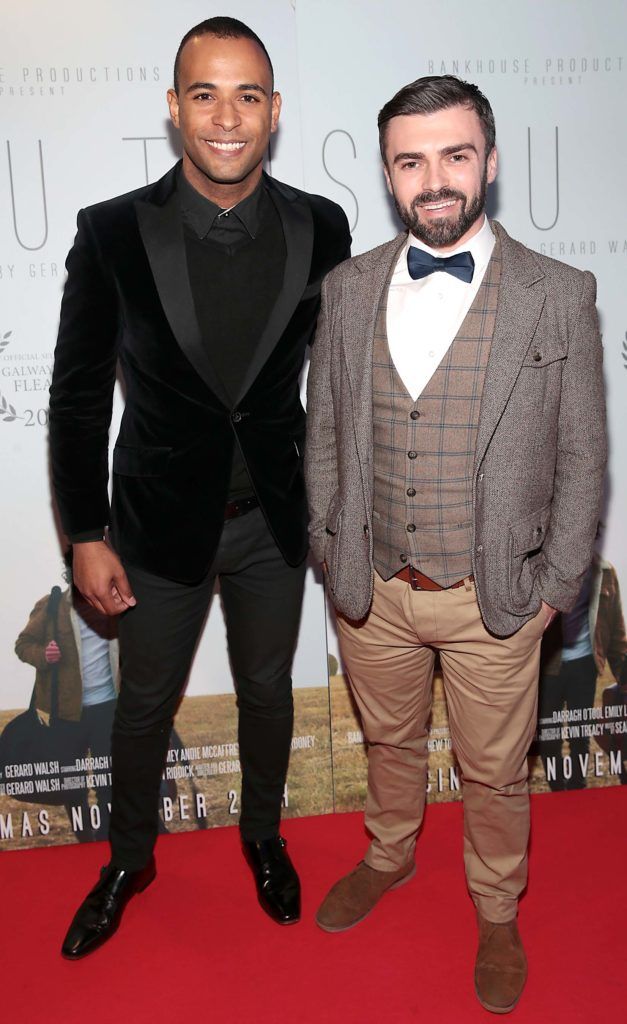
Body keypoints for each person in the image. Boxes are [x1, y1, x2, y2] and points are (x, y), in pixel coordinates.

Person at [49, 16, 350, 959]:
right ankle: (127, 861)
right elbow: (76, 393)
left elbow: (339, 382)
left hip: (272, 518)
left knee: (266, 691)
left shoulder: (320, 225)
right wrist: (83, 533)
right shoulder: (110, 233)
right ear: (175, 107)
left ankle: (262, 835)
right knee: (143, 705)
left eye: (248, 95)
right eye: (206, 94)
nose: (228, 117)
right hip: (152, 525)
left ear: (274, 111)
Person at [305, 75, 606, 1014]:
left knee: (493, 768)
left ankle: (496, 905)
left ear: (488, 160)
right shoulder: (346, 288)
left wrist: (556, 588)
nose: (434, 178)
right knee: (387, 738)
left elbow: (582, 454)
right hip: (374, 586)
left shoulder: (559, 293)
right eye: (411, 159)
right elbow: (324, 435)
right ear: (390, 173)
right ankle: (388, 854)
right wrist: (329, 547)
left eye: (454, 154)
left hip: (497, 598)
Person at [14, 569, 118, 841]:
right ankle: (84, 839)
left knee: (109, 779)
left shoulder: (117, 602)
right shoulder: (52, 605)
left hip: (108, 706)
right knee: (73, 784)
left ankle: (106, 835)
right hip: (66, 712)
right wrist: (43, 655)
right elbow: (23, 645)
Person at [536, 551, 627, 789]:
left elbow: (616, 627)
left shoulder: (605, 572)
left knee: (580, 734)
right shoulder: (543, 565)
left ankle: (578, 788)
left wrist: (623, 675)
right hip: (548, 667)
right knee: (549, 736)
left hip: (584, 664)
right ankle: (557, 791)